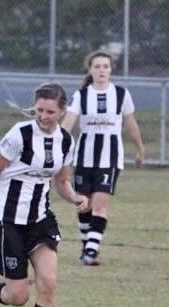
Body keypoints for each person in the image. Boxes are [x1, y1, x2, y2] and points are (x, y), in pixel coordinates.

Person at [0, 83, 89, 307]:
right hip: (6, 222)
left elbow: (61, 181)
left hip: (39, 221)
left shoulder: (65, 141)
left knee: (49, 283)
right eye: (39, 110)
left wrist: (75, 197)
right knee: (18, 296)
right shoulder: (19, 134)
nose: (43, 116)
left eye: (50, 112)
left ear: (63, 111)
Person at [61, 50, 145, 266]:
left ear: (111, 69)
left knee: (100, 205)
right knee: (84, 204)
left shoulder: (121, 94)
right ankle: (86, 246)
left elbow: (130, 124)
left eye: (105, 67)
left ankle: (91, 251)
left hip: (110, 159)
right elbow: (68, 123)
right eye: (97, 66)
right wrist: (58, 144)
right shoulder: (81, 95)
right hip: (84, 158)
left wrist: (139, 149)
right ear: (90, 69)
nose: (101, 70)